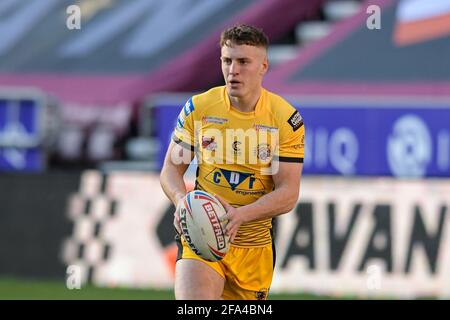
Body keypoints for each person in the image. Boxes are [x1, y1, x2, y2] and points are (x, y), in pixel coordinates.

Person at [160, 24, 304, 300]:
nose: (233, 70)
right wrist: (182, 203)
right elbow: (171, 169)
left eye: (243, 62)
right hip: (202, 236)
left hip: (253, 248)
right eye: (227, 61)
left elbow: (288, 193)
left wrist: (240, 216)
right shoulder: (199, 108)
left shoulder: (285, 119)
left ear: (263, 66)